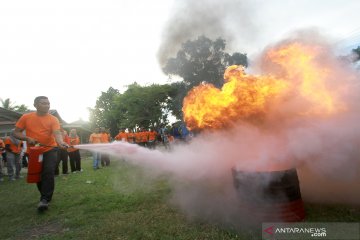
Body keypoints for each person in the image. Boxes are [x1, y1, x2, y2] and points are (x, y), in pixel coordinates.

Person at [13, 96, 69, 212]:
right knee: (38, 175)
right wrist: (27, 138)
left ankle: (45, 199)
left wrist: (61, 142)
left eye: (48, 103)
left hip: (50, 149)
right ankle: (44, 195)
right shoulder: (26, 117)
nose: (47, 105)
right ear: (35, 105)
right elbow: (16, 133)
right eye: (43, 103)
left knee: (48, 171)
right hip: (33, 151)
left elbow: (57, 133)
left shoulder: (53, 119)